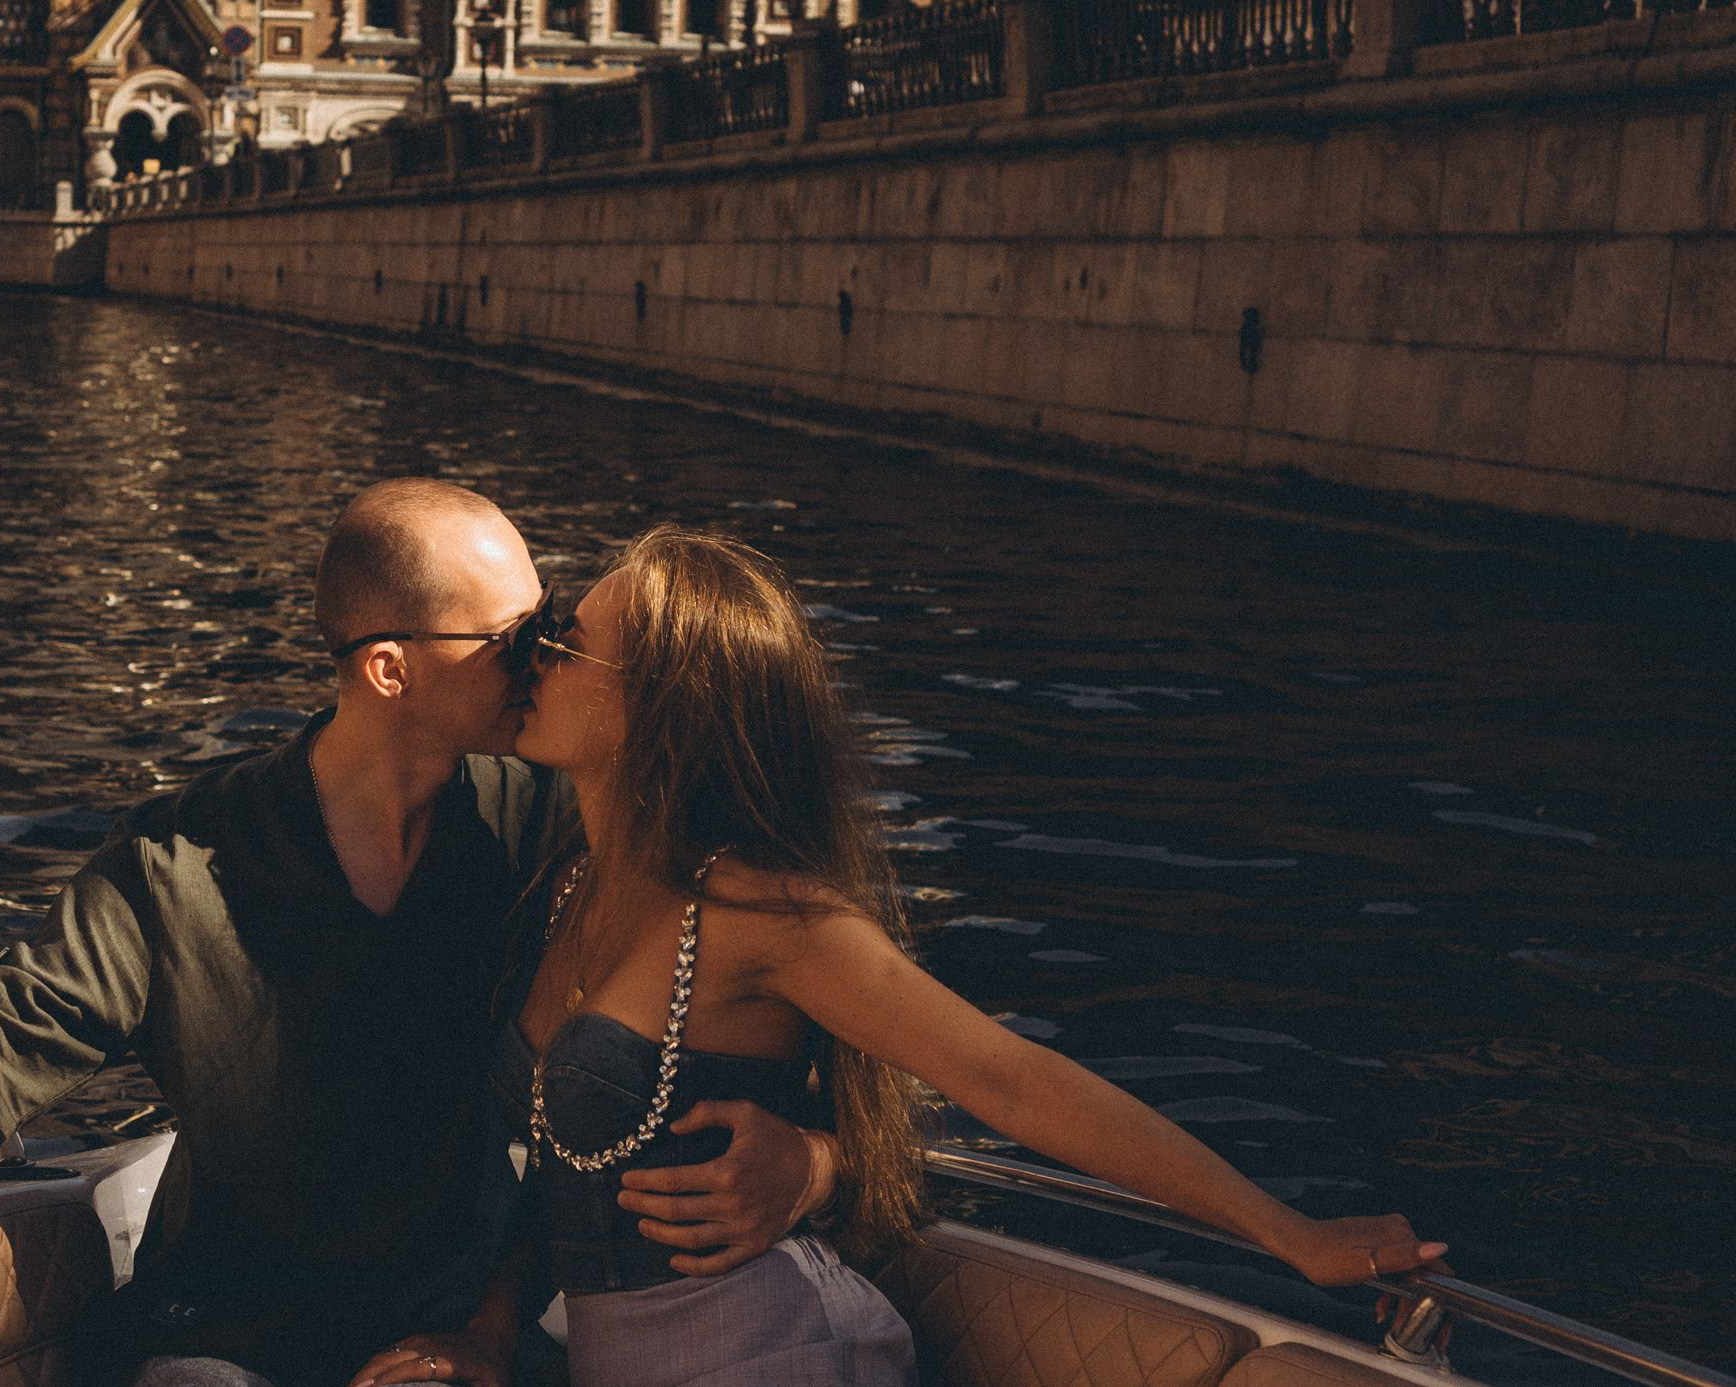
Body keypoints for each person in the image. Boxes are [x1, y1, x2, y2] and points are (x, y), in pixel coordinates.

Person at [0, 483, 840, 1387]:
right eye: (514, 639)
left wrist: (814, 1163)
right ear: (388, 668)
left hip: (457, 1327)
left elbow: (766, 997)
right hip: (221, 1332)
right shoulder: (181, 857)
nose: (547, 662)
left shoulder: (556, 825)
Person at [354, 527, 1449, 1387]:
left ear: (658, 708)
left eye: (566, 639)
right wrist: (489, 1333)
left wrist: (1285, 1232)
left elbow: (1008, 1078)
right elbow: (555, 1181)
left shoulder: (756, 912)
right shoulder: (564, 888)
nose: (532, 655)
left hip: (774, 1357)